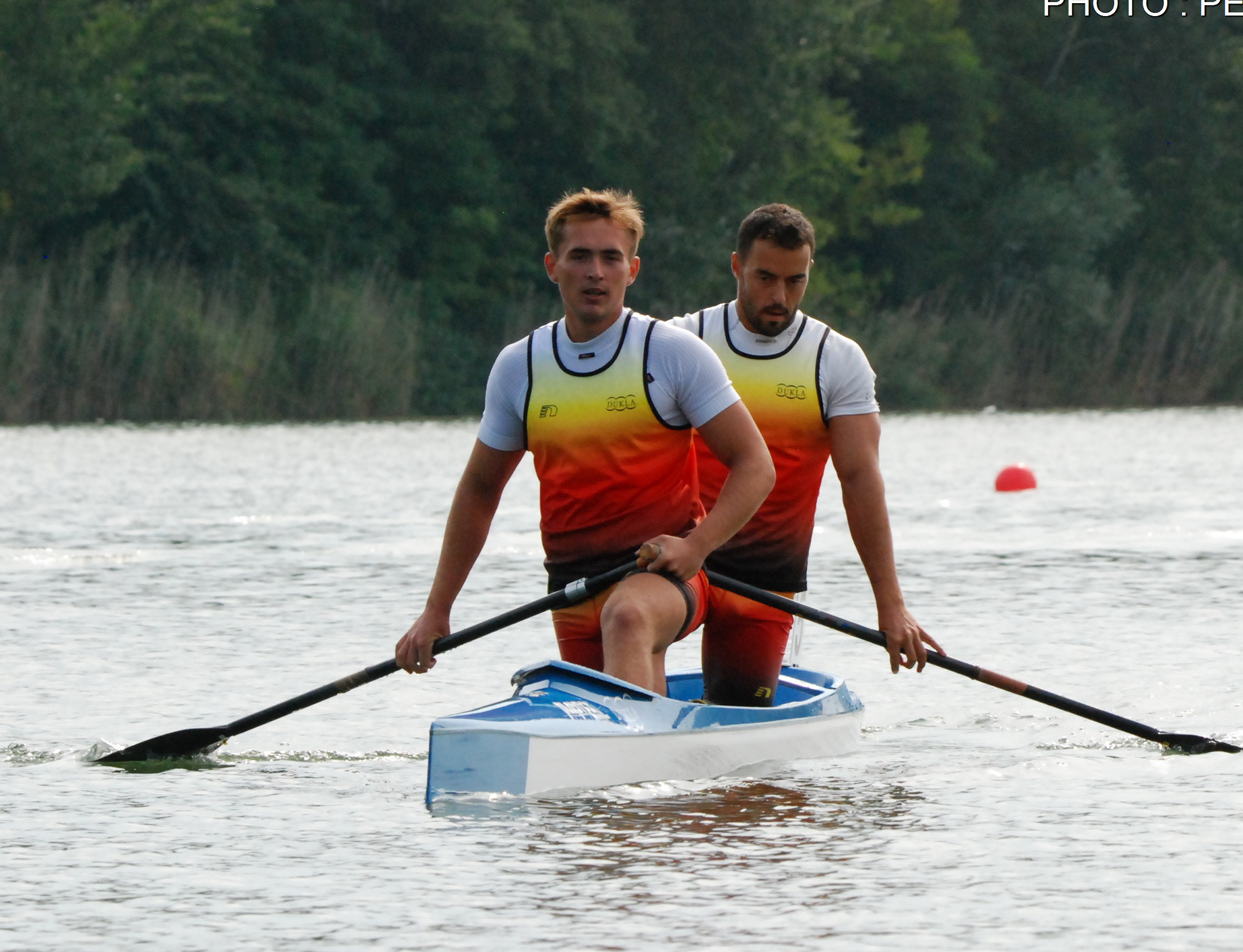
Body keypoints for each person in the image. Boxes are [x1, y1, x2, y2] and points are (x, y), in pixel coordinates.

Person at [396, 189, 774, 694]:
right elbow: (479, 491)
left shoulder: (672, 353)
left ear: (632, 270)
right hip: (572, 589)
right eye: (580, 256)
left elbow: (756, 465)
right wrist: (436, 610)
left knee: (627, 618)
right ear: (553, 266)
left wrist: (697, 547)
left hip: (666, 576)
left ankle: (638, 758)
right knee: (617, 694)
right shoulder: (519, 367)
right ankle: (657, 754)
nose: (595, 271)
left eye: (610, 257)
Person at [674, 203, 941, 705]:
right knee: (632, 626)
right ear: (736, 266)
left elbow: (861, 481)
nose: (779, 297)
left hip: (766, 579)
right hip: (685, 564)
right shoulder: (684, 342)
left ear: (810, 271)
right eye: (765, 278)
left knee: (743, 729)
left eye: (795, 281)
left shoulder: (837, 360)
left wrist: (891, 606)